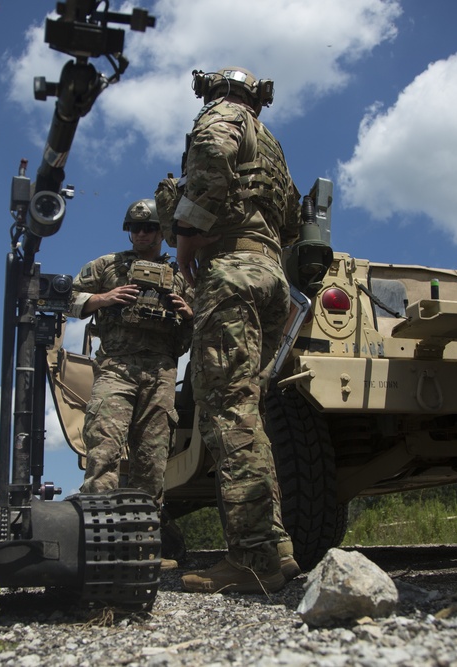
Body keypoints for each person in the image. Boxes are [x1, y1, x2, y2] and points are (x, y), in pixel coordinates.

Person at [168, 67, 302, 593]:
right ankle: (274, 548)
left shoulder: (220, 118)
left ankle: (254, 558)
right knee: (247, 412)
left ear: (217, 90)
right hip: (270, 275)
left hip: (231, 272)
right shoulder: (270, 143)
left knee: (227, 412)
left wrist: (185, 243)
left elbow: (210, 159)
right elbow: (291, 220)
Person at [69, 198, 193, 568]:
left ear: (161, 232)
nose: (141, 234)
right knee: (104, 446)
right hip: (116, 368)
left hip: (161, 372)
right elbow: (65, 297)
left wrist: (190, 313)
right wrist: (102, 298)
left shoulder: (183, 273)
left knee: (151, 461)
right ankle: (97, 543)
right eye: (135, 228)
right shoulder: (107, 266)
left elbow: (199, 320)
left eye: (149, 228)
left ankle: (141, 548)